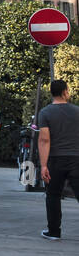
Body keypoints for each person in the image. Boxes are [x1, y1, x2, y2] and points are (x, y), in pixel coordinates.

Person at [38, 80, 79, 241]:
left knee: (53, 195)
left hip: (55, 159)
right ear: (65, 92)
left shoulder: (45, 113)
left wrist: (43, 165)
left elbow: (44, 140)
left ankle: (54, 231)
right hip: (77, 158)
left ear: (51, 93)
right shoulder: (77, 111)